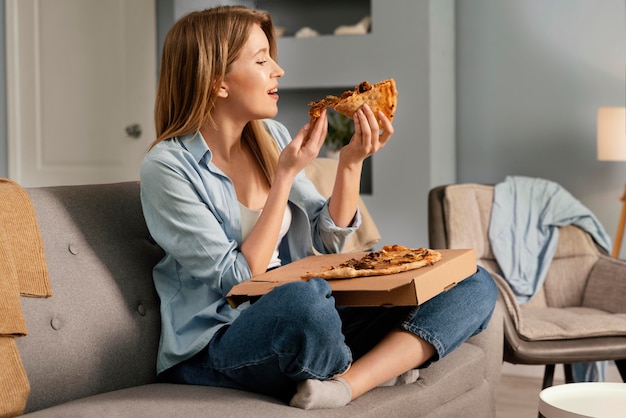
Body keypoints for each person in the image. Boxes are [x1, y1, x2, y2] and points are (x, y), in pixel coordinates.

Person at [140, 5, 498, 410]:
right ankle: (382, 366)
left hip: (307, 321)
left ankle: (346, 383)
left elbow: (327, 241)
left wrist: (351, 163)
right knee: (304, 301)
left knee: (473, 282)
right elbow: (238, 280)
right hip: (223, 341)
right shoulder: (167, 167)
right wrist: (284, 178)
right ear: (218, 82)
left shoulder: (270, 136)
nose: (278, 70)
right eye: (261, 60)